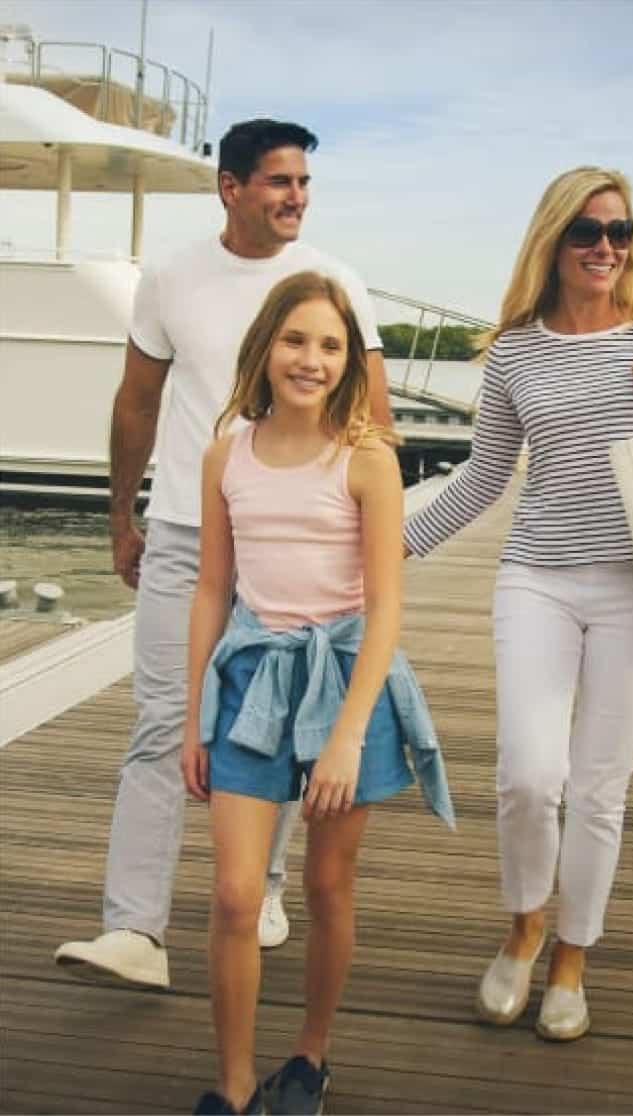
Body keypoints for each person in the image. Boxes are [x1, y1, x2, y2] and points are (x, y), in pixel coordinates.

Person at [403, 166, 633, 1041]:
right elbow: (485, 474)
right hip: (539, 578)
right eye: (587, 232)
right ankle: (523, 927)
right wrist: (392, 546)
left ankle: (571, 957)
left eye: (620, 231)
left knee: (597, 790)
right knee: (529, 775)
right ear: (553, 242)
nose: (605, 248)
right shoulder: (516, 349)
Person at [55, 118, 394, 990]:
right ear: (231, 187)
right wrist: (119, 517)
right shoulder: (172, 276)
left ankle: (270, 882)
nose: (296, 198)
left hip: (294, 544)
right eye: (279, 181)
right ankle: (134, 926)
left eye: (304, 183)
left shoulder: (332, 283)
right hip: (182, 527)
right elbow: (136, 403)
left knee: (279, 724)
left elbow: (374, 424)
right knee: (166, 720)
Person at [182, 271, 452, 1116]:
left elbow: (386, 606)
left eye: (331, 345)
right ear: (266, 347)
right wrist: (194, 715)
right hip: (255, 679)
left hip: (345, 682)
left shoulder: (368, 459)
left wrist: (347, 733)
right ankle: (231, 1083)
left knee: (329, 884)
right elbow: (210, 589)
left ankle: (309, 1054)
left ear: (348, 361)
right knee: (233, 893)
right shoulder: (227, 452)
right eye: (296, 340)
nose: (312, 359)